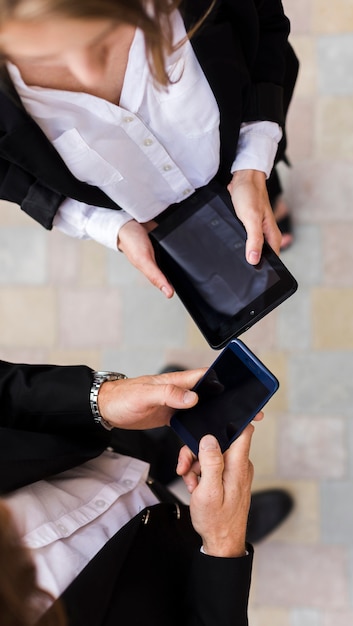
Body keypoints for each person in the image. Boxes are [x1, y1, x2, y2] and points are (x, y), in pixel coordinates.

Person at [0, 0, 298, 298]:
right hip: (146, 212)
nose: (88, 75)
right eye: (44, 57)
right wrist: (110, 225)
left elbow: (266, 31)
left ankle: (272, 196)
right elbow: (8, 175)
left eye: (102, 38)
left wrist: (253, 163)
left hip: (232, 147)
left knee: (262, 189)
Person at [0, 359, 292, 625]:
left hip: (98, 457)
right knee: (219, 520)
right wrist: (224, 549)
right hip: (168, 570)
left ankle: (164, 451)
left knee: (160, 444)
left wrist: (98, 399)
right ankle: (235, 525)